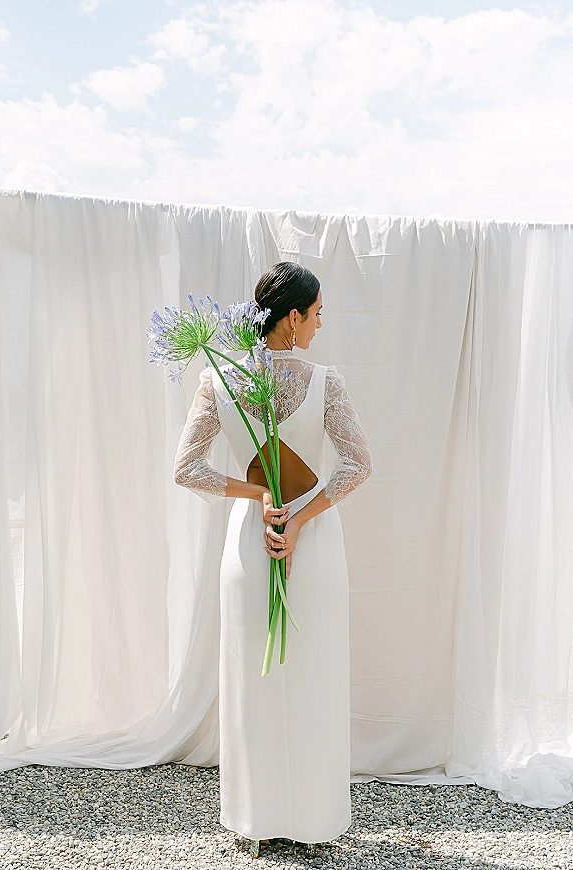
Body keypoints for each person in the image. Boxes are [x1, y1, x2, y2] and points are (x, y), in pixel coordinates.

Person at [174, 262, 372, 858]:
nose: (320, 324)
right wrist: (298, 518)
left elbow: (188, 469)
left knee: (253, 683)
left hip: (250, 542)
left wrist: (258, 496)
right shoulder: (326, 382)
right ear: (292, 317)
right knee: (313, 678)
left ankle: (256, 819)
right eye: (316, 314)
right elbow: (358, 464)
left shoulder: (219, 379)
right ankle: (312, 821)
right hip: (310, 544)